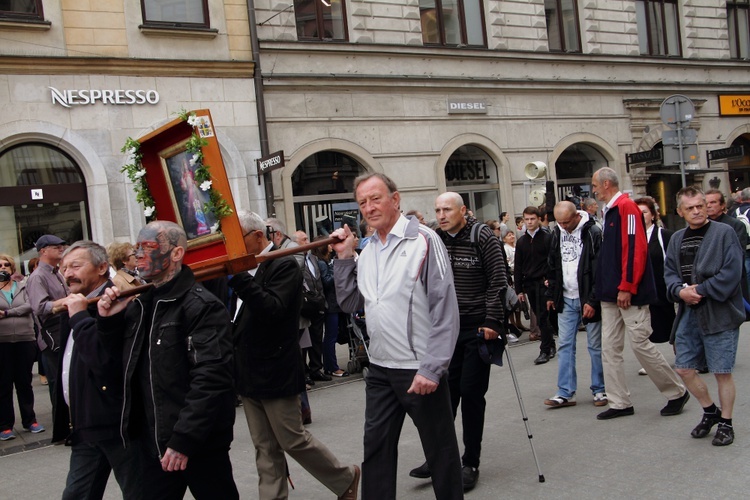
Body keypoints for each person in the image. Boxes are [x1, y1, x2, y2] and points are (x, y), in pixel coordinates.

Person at [332, 173, 463, 500]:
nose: (369, 207)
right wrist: (344, 259)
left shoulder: (425, 241)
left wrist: (432, 367)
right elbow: (351, 302)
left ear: (395, 199)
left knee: (441, 454)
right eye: (362, 202)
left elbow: (445, 309)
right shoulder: (368, 247)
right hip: (380, 369)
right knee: (375, 450)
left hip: (419, 368)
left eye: (375, 198)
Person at [97, 221, 239, 499]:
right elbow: (116, 365)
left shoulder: (201, 306)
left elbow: (211, 377)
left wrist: (184, 440)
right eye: (137, 248)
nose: (138, 255)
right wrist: (108, 322)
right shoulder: (139, 304)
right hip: (152, 442)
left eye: (148, 248)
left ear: (176, 254)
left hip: (198, 442)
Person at [229, 211, 360, 500]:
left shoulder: (281, 264)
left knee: (292, 439)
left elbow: (273, 309)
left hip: (275, 368)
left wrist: (238, 278)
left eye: (237, 239)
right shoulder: (246, 266)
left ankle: (344, 477)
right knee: (264, 446)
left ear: (258, 236)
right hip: (247, 369)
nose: (232, 246)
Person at [407, 192, 506, 491]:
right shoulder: (435, 238)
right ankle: (439, 455)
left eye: (447, 209)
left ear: (463, 210)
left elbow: (499, 280)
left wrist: (492, 321)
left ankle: (470, 461)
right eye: (437, 210)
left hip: (477, 327)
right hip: (444, 329)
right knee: (443, 397)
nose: (441, 215)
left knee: (471, 394)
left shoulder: (483, 236)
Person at [591, 167, 689, 420]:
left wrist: (627, 286)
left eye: (594, 185)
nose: (593, 190)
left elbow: (635, 249)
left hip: (627, 293)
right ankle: (619, 402)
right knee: (609, 349)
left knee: (640, 345)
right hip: (610, 293)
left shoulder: (626, 208)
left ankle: (677, 392)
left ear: (605, 184)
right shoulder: (611, 210)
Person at [53, 241, 141, 499]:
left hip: (117, 423)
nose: (68, 273)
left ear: (102, 267)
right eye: (64, 267)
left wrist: (80, 316)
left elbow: (104, 362)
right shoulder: (76, 303)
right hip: (85, 424)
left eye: (76, 266)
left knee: (139, 491)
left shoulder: (118, 301)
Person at [664, 186, 744, 446]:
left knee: (722, 371)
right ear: (680, 211)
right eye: (690, 208)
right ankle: (710, 411)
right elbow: (670, 273)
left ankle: (727, 423)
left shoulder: (724, 233)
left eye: (701, 205)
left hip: (719, 312)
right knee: (684, 368)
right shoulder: (677, 238)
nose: (697, 211)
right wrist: (679, 291)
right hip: (689, 312)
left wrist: (701, 290)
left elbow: (732, 273)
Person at [543, 201, 607, 408]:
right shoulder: (557, 232)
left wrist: (593, 300)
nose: (563, 226)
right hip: (566, 295)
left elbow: (600, 269)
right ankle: (565, 391)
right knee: (565, 345)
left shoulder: (593, 231)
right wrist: (551, 293)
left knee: (595, 346)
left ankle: (600, 389)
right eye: (559, 222)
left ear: (576, 216)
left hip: (587, 295)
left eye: (566, 222)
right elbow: (552, 263)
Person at [0, 254, 44, 441]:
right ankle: (5, 425)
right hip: (2, 342)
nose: (3, 268)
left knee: (24, 382)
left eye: (6, 265)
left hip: (25, 339)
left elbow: (30, 305)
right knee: (3, 384)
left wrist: (8, 313)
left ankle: (30, 420)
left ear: (12, 268)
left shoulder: (24, 285)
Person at [26, 234, 69, 414]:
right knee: (57, 384)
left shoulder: (56, 272)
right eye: (55, 246)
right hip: (52, 338)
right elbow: (40, 307)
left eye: (61, 246)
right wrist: (68, 301)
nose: (61, 248)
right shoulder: (38, 277)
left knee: (66, 380)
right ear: (43, 251)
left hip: (64, 332)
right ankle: (63, 427)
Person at [515, 206, 557, 364]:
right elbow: (518, 266)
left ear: (539, 219)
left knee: (543, 317)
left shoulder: (547, 238)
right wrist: (519, 290)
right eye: (527, 219)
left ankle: (545, 349)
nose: (530, 222)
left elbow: (552, 261)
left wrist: (550, 279)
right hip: (530, 284)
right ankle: (550, 345)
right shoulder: (521, 242)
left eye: (532, 219)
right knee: (540, 316)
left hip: (543, 282)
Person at [633, 197, 675, 346]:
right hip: (641, 290)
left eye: (644, 212)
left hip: (662, 289)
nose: (641, 215)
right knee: (644, 327)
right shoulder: (630, 237)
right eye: (637, 212)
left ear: (652, 214)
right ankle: (650, 362)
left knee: (671, 324)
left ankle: (682, 357)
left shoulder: (664, 235)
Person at [313, 239, 349, 377]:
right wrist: (337, 271)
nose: (331, 247)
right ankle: (332, 366)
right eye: (328, 244)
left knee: (331, 336)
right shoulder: (322, 263)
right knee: (330, 336)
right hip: (330, 304)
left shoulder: (325, 262)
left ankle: (330, 365)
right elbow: (326, 282)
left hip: (333, 303)